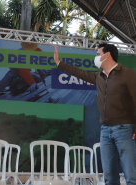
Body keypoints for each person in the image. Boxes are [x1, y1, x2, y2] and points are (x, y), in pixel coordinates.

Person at [54, 44, 136, 185]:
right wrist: (59, 64)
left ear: (107, 55)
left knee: (131, 175)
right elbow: (80, 73)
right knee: (109, 176)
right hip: (105, 130)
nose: (96, 57)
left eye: (98, 54)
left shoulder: (128, 74)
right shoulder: (99, 77)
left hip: (125, 129)